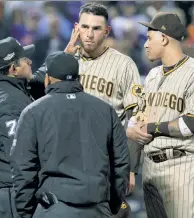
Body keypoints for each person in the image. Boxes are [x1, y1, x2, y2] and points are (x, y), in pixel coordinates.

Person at [32, 4, 143, 208]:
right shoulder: (64, 60)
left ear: (107, 31)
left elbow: (135, 119)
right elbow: (36, 93)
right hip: (63, 159)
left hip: (105, 159)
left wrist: (130, 168)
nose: (89, 34)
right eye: (85, 27)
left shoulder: (124, 65)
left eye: (96, 28)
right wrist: (64, 53)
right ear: (76, 29)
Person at [10, 51, 130, 218]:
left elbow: (23, 169)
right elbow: (121, 163)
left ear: (48, 79)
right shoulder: (105, 110)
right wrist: (113, 205)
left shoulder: (33, 112)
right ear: (78, 78)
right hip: (98, 208)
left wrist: (26, 212)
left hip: (53, 208)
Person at [127, 12, 194, 218]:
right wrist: (132, 168)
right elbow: (138, 121)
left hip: (183, 166)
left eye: (150, 38)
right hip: (150, 167)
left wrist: (151, 128)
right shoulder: (152, 75)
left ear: (164, 38)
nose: (146, 44)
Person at [0, 37, 35, 218]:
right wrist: (26, 194)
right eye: (24, 60)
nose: (30, 61)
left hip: (11, 184)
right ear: (13, 69)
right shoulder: (8, 101)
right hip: (13, 188)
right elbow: (18, 152)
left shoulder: (9, 88)